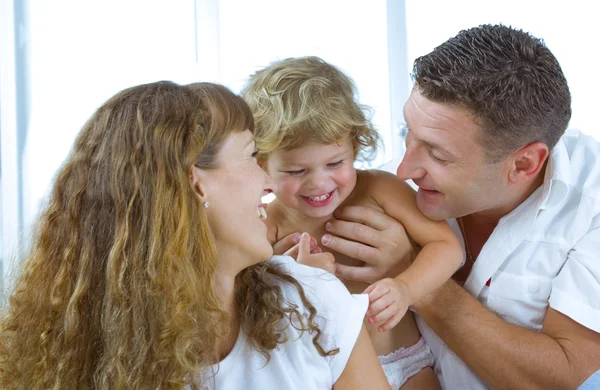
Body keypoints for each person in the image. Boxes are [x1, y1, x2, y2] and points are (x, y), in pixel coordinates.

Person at [0, 81, 390, 389]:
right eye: (252, 156)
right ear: (197, 184)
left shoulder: (315, 302)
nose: (268, 181)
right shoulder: (74, 352)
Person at [278, 24, 600, 389]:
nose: (403, 170)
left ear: (524, 164)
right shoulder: (377, 193)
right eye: (407, 134)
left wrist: (413, 275)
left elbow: (568, 376)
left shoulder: (591, 207)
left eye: (437, 154)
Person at [242, 56, 464, 389]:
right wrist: (278, 277)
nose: (319, 184)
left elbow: (447, 248)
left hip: (406, 362)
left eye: (335, 163)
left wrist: (406, 288)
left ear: (355, 145)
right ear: (261, 164)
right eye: (296, 171)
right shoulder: (265, 225)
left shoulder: (379, 189)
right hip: (332, 376)